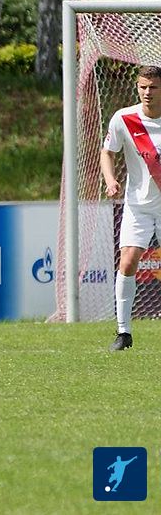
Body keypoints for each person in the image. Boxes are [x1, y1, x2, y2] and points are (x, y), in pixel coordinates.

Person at [100, 65, 161, 351]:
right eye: (143, 87)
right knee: (127, 261)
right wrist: (110, 179)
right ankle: (123, 332)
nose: (147, 92)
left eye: (153, 87)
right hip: (139, 205)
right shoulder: (124, 118)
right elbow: (107, 152)